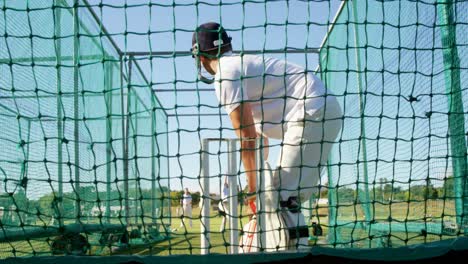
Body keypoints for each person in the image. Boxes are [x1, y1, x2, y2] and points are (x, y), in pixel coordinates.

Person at [191, 22, 343, 251]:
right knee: (286, 196)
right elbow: (259, 139)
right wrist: (260, 184)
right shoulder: (243, 67)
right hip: (323, 111)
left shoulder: (225, 75)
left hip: (312, 112)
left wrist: (252, 189)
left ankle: (285, 254)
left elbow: (247, 138)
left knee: (282, 198)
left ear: (201, 58)